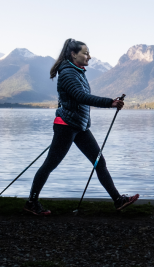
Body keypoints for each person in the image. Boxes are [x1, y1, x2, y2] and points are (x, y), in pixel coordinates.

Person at [24, 38, 139, 215]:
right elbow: (81, 97)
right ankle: (32, 203)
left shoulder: (78, 71)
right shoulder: (69, 73)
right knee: (50, 165)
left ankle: (118, 200)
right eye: (85, 53)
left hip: (80, 126)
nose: (89, 56)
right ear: (73, 54)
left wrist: (110, 103)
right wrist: (110, 103)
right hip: (66, 127)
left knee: (99, 162)